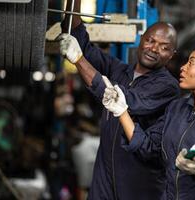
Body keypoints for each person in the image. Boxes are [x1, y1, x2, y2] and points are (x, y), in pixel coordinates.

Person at [103, 41, 195, 199]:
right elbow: (149, 148)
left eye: (191, 63)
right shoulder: (176, 109)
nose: (183, 67)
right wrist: (121, 111)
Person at [58, 0, 180, 199]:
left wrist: (78, 60)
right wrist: (74, 4)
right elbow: (81, 41)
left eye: (164, 47)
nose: (154, 48)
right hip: (104, 179)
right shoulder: (120, 70)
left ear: (171, 55)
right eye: (150, 40)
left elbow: (120, 99)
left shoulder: (167, 87)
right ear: (142, 39)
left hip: (139, 188)